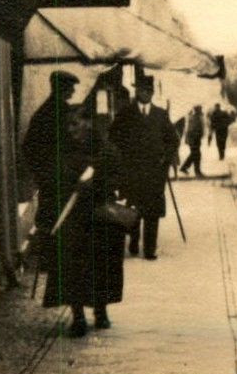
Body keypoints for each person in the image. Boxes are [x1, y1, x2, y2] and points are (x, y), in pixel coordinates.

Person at [40, 118, 126, 337]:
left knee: (101, 266)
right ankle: (78, 316)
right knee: (73, 268)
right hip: (73, 219)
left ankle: (100, 312)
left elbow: (118, 177)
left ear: (88, 124)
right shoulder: (62, 150)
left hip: (99, 217)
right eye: (69, 125)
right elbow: (50, 180)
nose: (72, 129)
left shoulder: (106, 150)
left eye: (76, 124)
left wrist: (96, 184)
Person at [20, 71, 87, 269]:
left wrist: (41, 173)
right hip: (62, 176)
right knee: (61, 216)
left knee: (49, 216)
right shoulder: (63, 113)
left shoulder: (43, 112)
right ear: (61, 89)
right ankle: (55, 261)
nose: (73, 91)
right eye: (70, 88)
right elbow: (75, 143)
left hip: (52, 177)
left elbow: (28, 147)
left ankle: (49, 260)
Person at [108, 76, 178, 260]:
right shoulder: (125, 114)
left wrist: (165, 162)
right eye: (141, 90)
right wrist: (119, 163)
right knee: (133, 210)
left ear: (152, 93)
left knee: (152, 212)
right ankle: (133, 238)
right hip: (131, 172)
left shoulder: (161, 115)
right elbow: (113, 140)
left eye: (148, 90)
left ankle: (149, 249)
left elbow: (173, 141)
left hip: (155, 173)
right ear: (136, 91)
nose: (144, 93)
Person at [179, 105, 206, 177]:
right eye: (200, 109)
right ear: (197, 110)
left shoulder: (196, 117)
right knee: (196, 155)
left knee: (195, 154)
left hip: (195, 139)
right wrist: (197, 136)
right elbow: (191, 130)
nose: (201, 110)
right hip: (194, 139)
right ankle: (197, 172)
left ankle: (185, 168)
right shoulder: (194, 118)